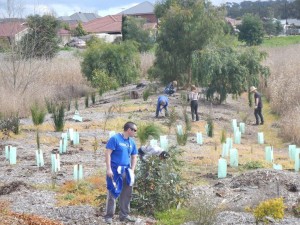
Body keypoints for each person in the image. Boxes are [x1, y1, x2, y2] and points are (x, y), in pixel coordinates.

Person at [104, 122, 138, 224]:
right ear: (129, 130)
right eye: (134, 130)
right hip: (114, 171)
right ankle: (109, 216)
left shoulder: (132, 142)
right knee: (112, 192)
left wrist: (132, 170)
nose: (135, 133)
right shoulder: (115, 139)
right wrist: (108, 169)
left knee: (127, 193)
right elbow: (108, 153)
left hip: (126, 171)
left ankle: (124, 215)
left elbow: (134, 156)